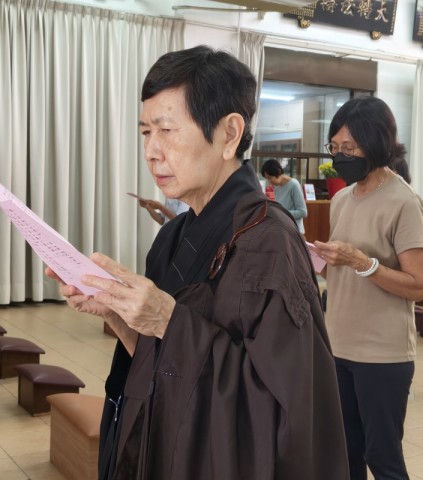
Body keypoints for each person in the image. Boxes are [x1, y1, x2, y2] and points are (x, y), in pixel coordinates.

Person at [46, 45, 349, 480]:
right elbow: (161, 362)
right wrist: (120, 316)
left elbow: (285, 416)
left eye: (166, 130)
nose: (151, 151)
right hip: (165, 444)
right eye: (145, 132)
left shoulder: (270, 245)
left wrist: (170, 321)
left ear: (229, 134)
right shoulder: (172, 237)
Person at [310, 96, 423, 480]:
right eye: (334, 147)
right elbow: (340, 270)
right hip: (338, 345)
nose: (339, 156)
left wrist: (364, 263)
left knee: (383, 457)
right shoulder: (341, 198)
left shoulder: (404, 201)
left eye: (349, 147)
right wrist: (317, 260)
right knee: (345, 454)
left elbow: (418, 286)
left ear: (376, 143)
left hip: (382, 354)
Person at [260, 158, 308, 235]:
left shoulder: (294, 185)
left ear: (277, 173)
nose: (269, 181)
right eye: (267, 179)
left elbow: (303, 212)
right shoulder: (277, 187)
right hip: (283, 230)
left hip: (294, 232)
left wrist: (281, 213)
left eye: (269, 178)